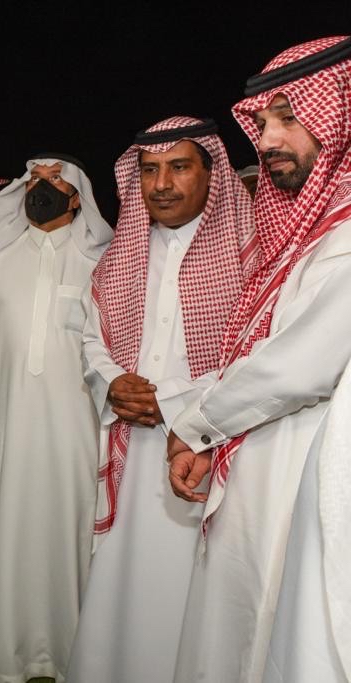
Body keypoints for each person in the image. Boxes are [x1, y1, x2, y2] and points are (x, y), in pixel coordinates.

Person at [166, 35, 351, 682]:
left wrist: (197, 423)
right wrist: (210, 427)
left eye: (288, 118)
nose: (267, 139)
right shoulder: (314, 225)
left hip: (309, 469)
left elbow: (300, 366)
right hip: (264, 452)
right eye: (262, 122)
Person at [68, 117, 256, 682]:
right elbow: (92, 337)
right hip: (133, 446)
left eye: (179, 167)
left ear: (211, 174)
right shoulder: (121, 255)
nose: (162, 184)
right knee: (127, 581)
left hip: (210, 449)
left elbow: (254, 353)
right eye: (149, 170)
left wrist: (173, 406)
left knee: (197, 589)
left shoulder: (248, 254)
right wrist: (111, 383)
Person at [0, 154, 113, 683]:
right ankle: (12, 654)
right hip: (8, 421)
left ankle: (71, 652)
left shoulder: (103, 263)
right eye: (36, 179)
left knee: (72, 529)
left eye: (56, 180)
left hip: (77, 428)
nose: (43, 187)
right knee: (11, 526)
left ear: (77, 197)